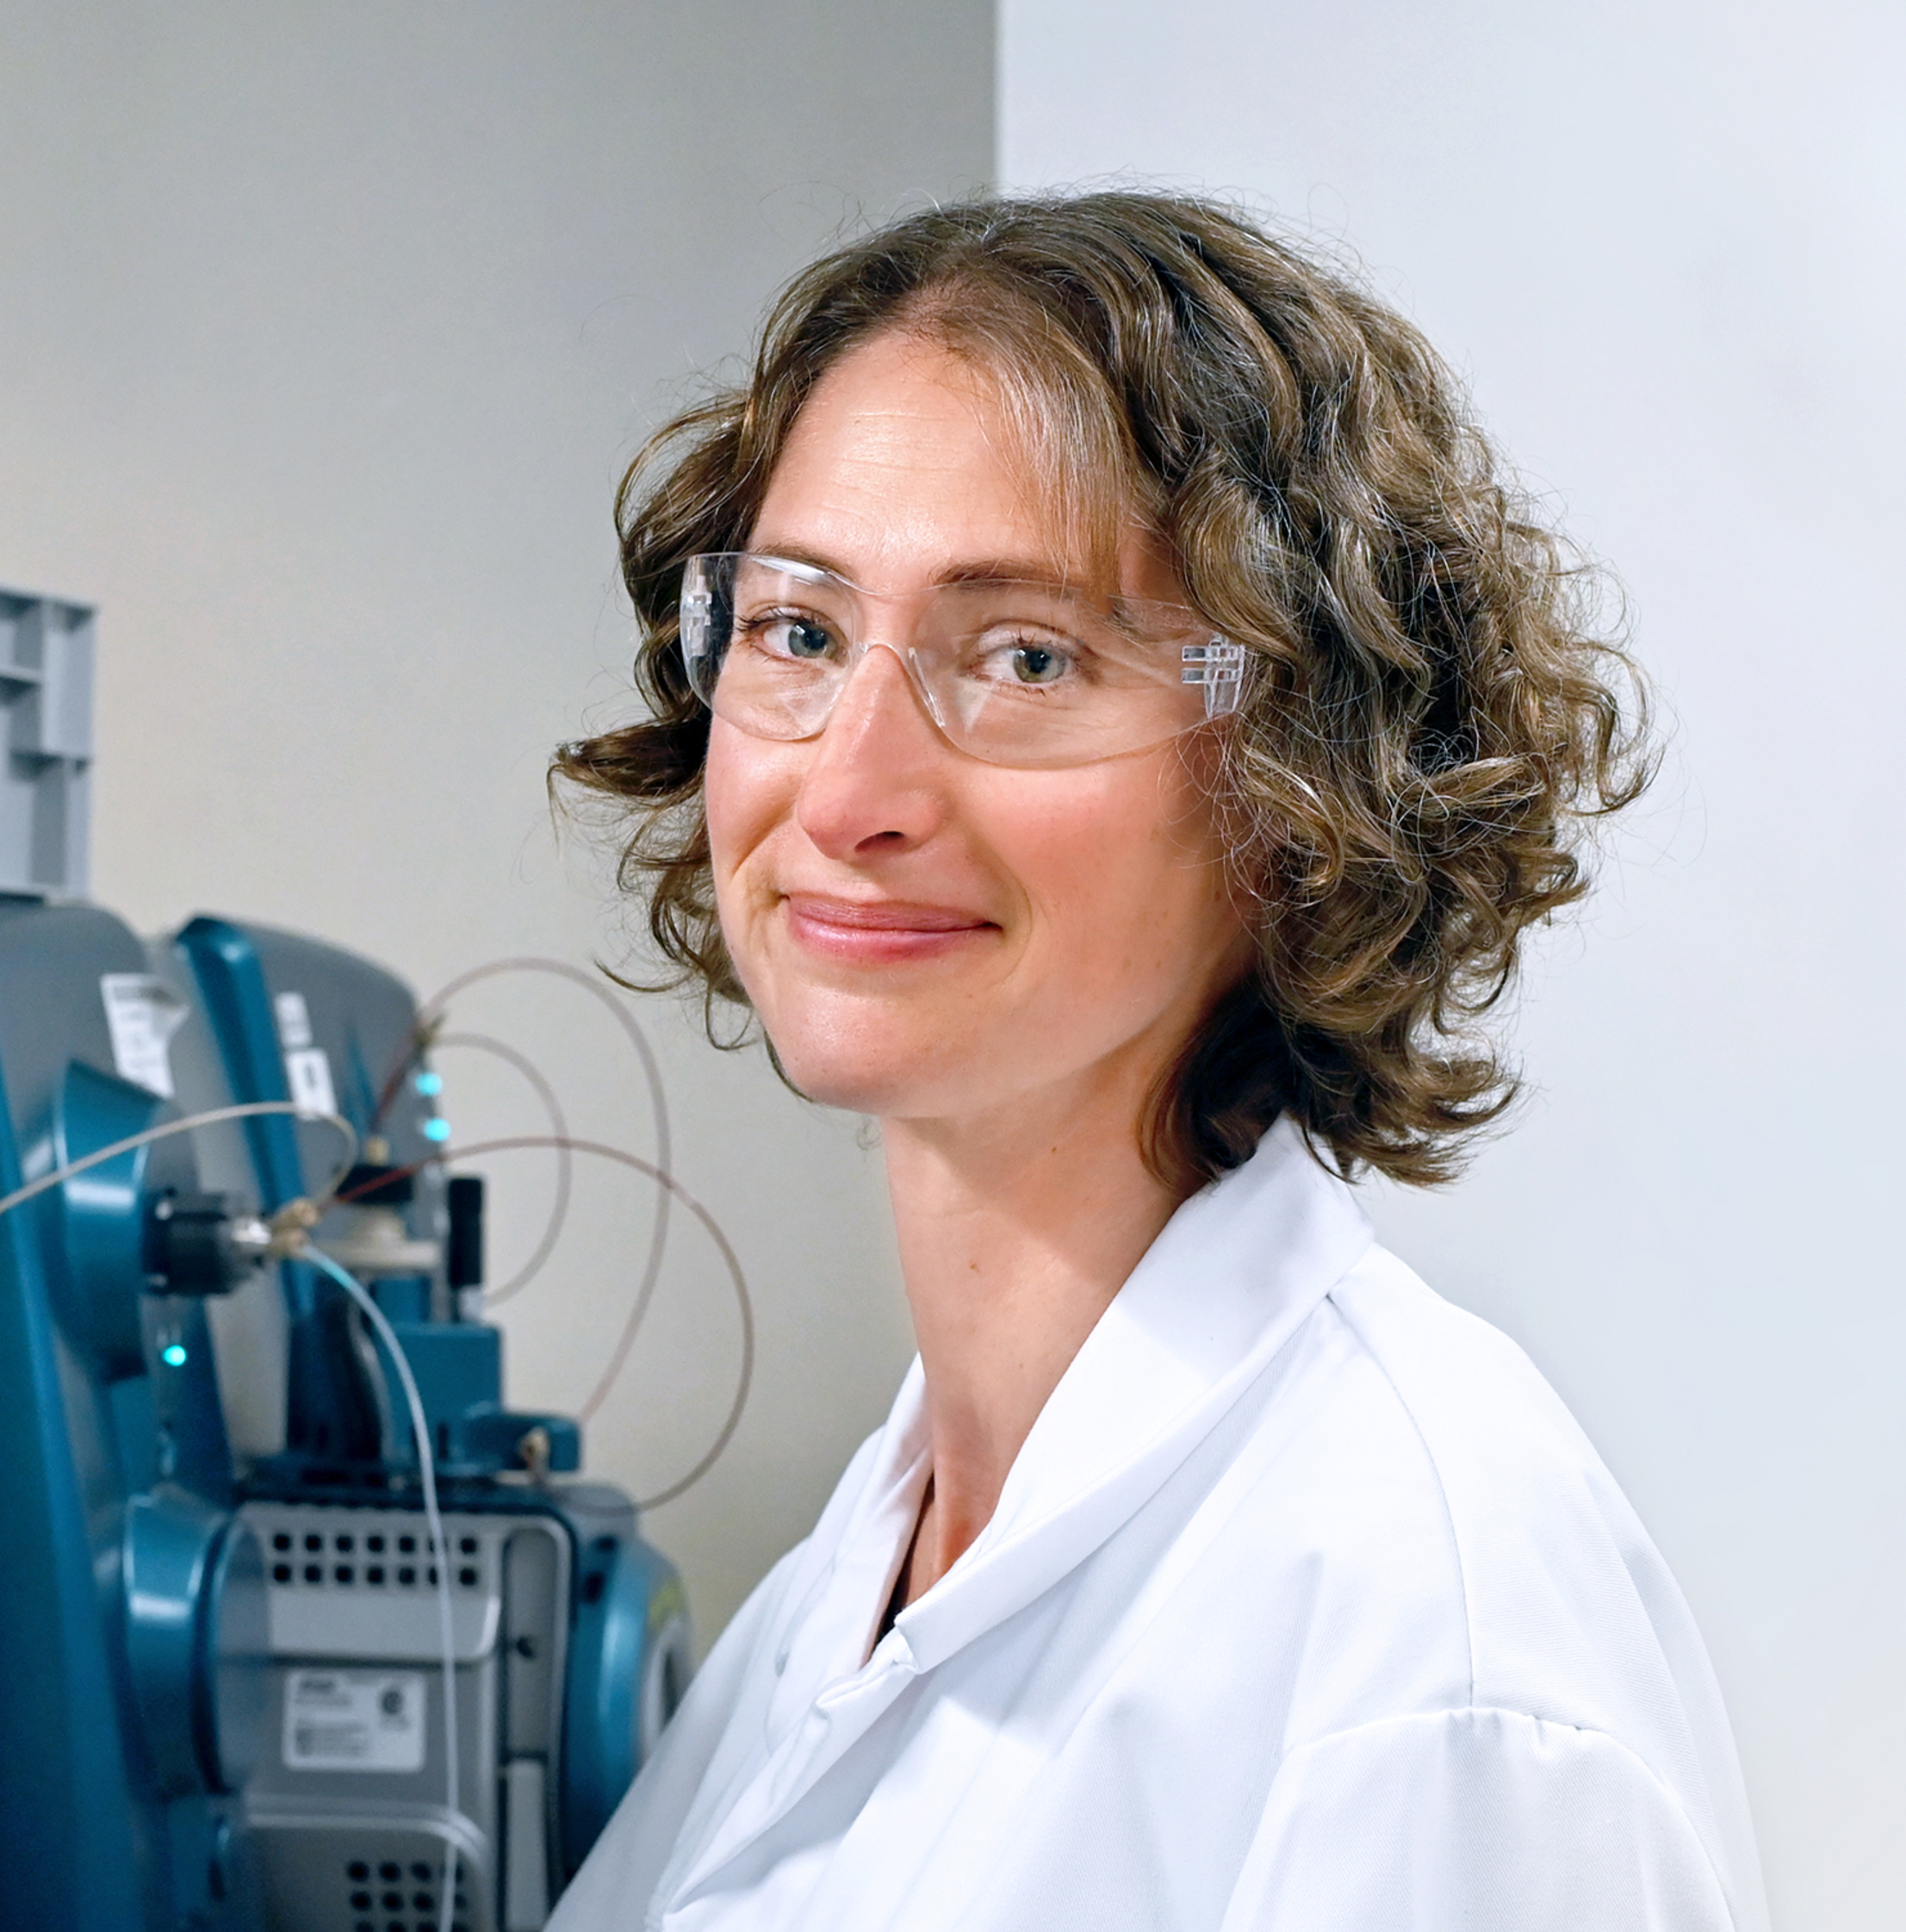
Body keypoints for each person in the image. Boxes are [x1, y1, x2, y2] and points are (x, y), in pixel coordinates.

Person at [542, 193, 1765, 1929]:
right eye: (796, 632)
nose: (846, 788)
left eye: (1025, 655)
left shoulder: (1428, 1644)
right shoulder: (868, 1567)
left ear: (1294, 777)